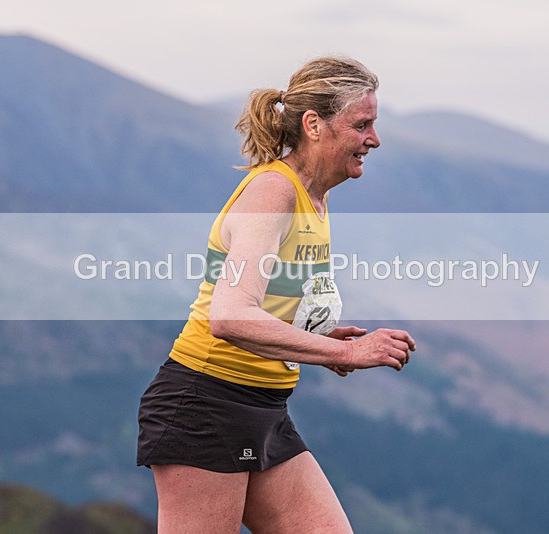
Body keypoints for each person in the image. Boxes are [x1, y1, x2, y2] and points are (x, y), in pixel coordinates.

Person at [137, 56, 416, 533]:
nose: (374, 139)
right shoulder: (274, 192)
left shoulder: (316, 199)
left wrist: (316, 339)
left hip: (263, 408)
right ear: (314, 125)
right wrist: (343, 349)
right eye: (362, 124)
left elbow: (264, 304)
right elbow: (229, 317)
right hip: (205, 405)